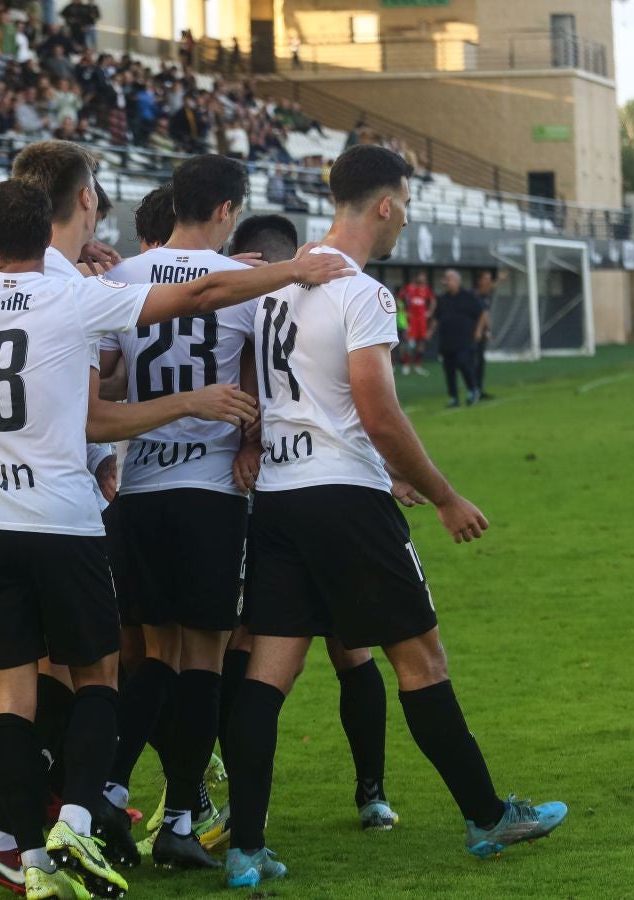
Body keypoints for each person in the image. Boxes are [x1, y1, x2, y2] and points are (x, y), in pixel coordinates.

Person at [0, 175, 349, 900]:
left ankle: (23, 855)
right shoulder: (76, 295)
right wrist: (292, 268)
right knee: (140, 666)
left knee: (13, 690)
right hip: (96, 511)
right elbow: (199, 299)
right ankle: (129, 810)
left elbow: (89, 366)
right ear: (224, 210)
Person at [223, 145, 566, 889]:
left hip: (280, 501)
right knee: (422, 662)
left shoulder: (280, 284)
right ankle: (486, 815)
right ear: (385, 205)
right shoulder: (360, 293)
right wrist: (443, 494)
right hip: (344, 501)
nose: (406, 214)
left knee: (266, 677)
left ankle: (245, 847)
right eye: (405, 202)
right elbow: (376, 412)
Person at [93, 156, 260, 870]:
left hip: (137, 493)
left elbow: (99, 380)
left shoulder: (121, 280)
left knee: (151, 656)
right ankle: (181, 819)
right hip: (208, 492)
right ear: (225, 210)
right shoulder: (247, 287)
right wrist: (251, 439)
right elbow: (264, 388)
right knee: (202, 660)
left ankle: (102, 788)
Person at [221, 212, 403, 837]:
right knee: (348, 651)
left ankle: (242, 825)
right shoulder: (321, 295)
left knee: (272, 659)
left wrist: (250, 440)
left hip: (281, 493)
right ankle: (369, 794)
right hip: (326, 491)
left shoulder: (262, 298)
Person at [434, 270, 483, 408]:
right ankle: (453, 397)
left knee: (464, 364)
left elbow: (481, 313)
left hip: (464, 340)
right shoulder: (443, 299)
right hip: (447, 341)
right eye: (445, 279)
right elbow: (437, 318)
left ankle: (472, 389)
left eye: (449, 279)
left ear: (457, 281)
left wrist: (479, 331)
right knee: (449, 370)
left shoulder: (469, 297)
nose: (446, 282)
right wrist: (430, 331)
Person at [400, 271, 433, 376]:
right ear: (417, 277)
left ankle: (418, 365)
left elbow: (433, 301)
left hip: (422, 320)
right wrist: (404, 311)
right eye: (421, 277)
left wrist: (429, 312)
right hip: (412, 320)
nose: (423, 279)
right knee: (409, 343)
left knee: (421, 343)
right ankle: (406, 364)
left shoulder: (426, 289)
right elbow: (399, 299)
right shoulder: (409, 288)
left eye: (424, 278)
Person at [472, 270, 498, 399]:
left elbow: (486, 315)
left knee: (480, 362)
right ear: (480, 281)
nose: (489, 282)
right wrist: (499, 280)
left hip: (481, 335)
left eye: (490, 279)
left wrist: (487, 330)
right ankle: (473, 390)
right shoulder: (475, 295)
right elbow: (483, 314)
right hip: (472, 335)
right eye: (486, 278)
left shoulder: (486, 296)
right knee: (473, 362)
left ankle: (479, 389)